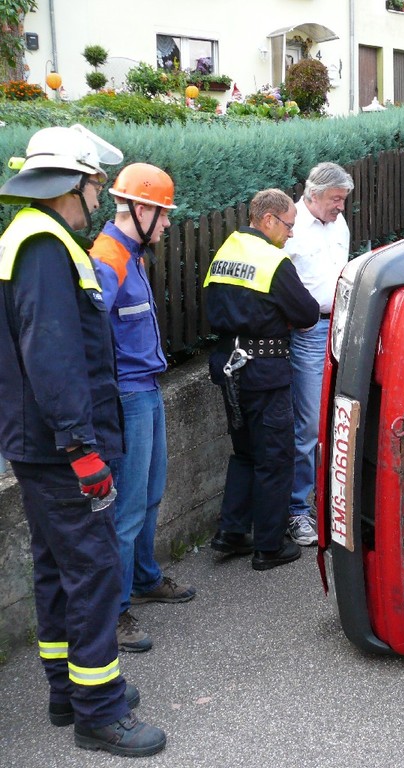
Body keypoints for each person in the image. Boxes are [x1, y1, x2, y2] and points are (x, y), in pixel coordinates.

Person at [0, 124, 165, 756]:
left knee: (57, 567)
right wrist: (82, 448)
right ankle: (99, 711)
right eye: (97, 182)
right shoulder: (45, 246)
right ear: (76, 182)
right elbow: (54, 356)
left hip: (40, 445)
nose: (99, 194)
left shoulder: (30, 238)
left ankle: (67, 693)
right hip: (60, 449)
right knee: (94, 570)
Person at [90, 163, 196, 655]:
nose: (170, 224)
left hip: (147, 390)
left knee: (151, 494)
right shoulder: (107, 259)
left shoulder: (130, 254)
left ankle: (146, 577)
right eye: (166, 214)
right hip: (127, 396)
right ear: (143, 209)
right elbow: (90, 338)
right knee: (128, 509)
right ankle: (113, 614)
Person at [204, 189, 320, 570]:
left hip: (229, 369)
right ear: (268, 220)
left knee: (245, 453)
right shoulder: (273, 261)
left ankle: (232, 532)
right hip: (266, 371)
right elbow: (305, 313)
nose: (290, 234)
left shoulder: (225, 252)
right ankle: (269, 546)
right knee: (275, 458)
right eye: (288, 225)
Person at [283, 162, 354, 547]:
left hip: (341, 326)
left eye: (343, 199)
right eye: (335, 199)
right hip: (309, 333)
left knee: (336, 418)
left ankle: (325, 502)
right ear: (312, 195)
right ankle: (297, 510)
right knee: (309, 425)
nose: (340, 206)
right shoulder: (291, 228)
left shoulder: (337, 224)